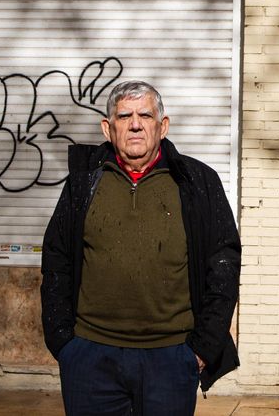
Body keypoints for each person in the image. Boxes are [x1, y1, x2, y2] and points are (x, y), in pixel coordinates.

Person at [41, 80, 240, 415]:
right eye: (124, 116)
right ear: (108, 128)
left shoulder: (197, 182)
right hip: (90, 357)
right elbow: (57, 257)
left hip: (171, 356)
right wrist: (64, 342)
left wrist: (203, 347)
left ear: (162, 126)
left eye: (145, 115)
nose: (135, 124)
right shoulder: (83, 181)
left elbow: (224, 263)